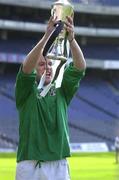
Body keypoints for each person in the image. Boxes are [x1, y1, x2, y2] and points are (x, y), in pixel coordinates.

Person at [15, 15, 86, 180]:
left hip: (58, 164)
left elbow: (79, 67)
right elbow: (26, 68)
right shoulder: (25, 91)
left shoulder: (62, 90)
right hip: (29, 164)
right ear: (35, 70)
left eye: (49, 63)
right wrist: (47, 36)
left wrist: (72, 40)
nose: (47, 67)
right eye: (41, 64)